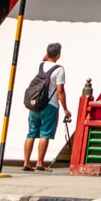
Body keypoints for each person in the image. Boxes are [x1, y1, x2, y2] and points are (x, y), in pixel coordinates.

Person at [22, 42, 68, 171]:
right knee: (44, 134)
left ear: (47, 53)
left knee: (31, 133)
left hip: (35, 104)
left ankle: (26, 162)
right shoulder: (59, 69)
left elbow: (44, 59)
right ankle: (40, 163)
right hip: (50, 105)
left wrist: (48, 54)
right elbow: (60, 90)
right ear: (59, 54)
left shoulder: (41, 65)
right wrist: (65, 108)